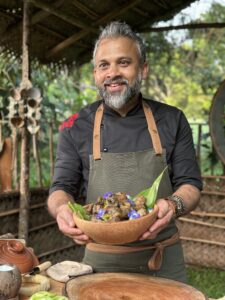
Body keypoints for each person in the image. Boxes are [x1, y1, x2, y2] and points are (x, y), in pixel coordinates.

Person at [48, 21, 202, 283]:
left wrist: (173, 205)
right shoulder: (75, 126)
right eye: (104, 65)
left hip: (161, 260)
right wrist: (62, 209)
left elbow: (190, 185)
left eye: (124, 62)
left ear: (142, 69)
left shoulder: (172, 119)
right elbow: (61, 187)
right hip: (100, 264)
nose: (112, 73)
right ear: (96, 73)